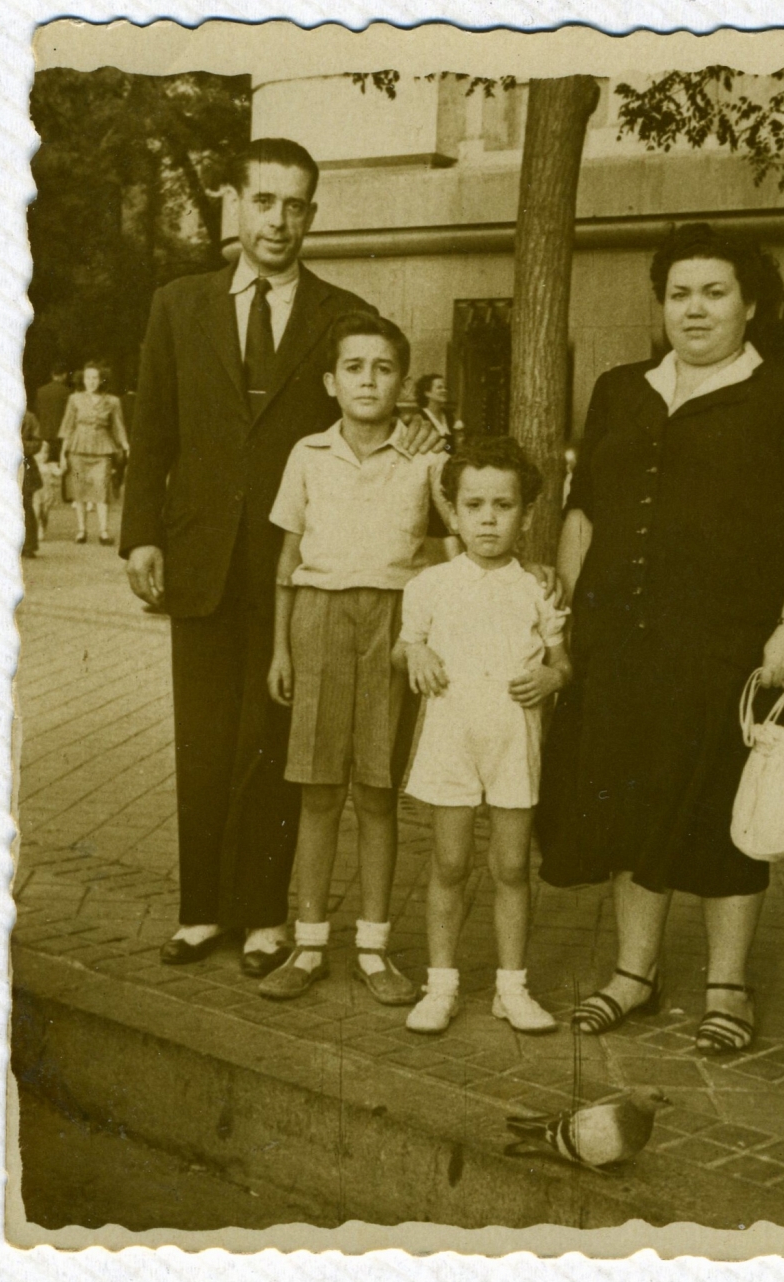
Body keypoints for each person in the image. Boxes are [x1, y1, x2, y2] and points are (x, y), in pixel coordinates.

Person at [120, 137, 444, 977]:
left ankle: (263, 915)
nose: (279, 220)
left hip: (300, 568)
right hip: (197, 557)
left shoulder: (340, 314)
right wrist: (142, 534)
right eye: (264, 201)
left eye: (296, 205)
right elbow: (155, 425)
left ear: (313, 213)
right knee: (203, 737)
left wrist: (411, 422)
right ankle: (199, 912)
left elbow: (381, 402)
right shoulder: (177, 304)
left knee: (273, 744)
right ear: (238, 204)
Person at [536, 222, 784, 1054]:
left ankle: (728, 986)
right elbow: (584, 509)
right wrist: (564, 616)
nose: (695, 309)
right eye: (679, 293)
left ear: (751, 304)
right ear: (660, 304)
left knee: (721, 815)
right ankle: (635, 975)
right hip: (619, 642)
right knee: (633, 806)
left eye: (715, 292)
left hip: (730, 648)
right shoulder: (618, 387)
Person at [259, 313, 455, 1004]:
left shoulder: (429, 459)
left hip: (394, 626)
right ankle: (309, 943)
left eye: (382, 368)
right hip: (317, 619)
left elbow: (458, 537)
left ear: (403, 382)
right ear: (330, 381)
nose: (368, 380)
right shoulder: (307, 453)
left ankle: (374, 948)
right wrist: (282, 647)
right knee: (316, 790)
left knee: (376, 791)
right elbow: (287, 561)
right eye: (354, 367)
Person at [394, 436, 572, 1036]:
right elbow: (405, 647)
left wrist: (551, 676)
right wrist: (414, 652)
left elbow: (562, 661)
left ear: (526, 515)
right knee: (447, 863)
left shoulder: (538, 588)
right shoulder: (429, 586)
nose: (489, 518)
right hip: (451, 741)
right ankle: (440, 985)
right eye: (474, 506)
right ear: (454, 510)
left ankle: (511, 988)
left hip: (512, 746)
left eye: (504, 505)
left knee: (512, 866)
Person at [58, 361, 129, 545]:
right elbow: (68, 426)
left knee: (102, 490)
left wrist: (125, 445)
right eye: (88, 377)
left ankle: (104, 532)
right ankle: (81, 531)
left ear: (101, 379)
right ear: (83, 379)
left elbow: (118, 426)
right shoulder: (75, 399)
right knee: (79, 489)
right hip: (78, 448)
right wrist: (62, 454)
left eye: (95, 377)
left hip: (102, 449)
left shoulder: (113, 401)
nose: (91, 381)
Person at [415, 374, 464, 452]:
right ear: (427, 393)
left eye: (445, 388)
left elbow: (455, 444)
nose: (444, 391)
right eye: (439, 387)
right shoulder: (420, 417)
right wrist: (450, 448)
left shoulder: (449, 416)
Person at [34, 363, 70, 464]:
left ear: (52, 374)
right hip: (60, 436)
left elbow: (37, 410)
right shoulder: (67, 392)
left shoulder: (41, 391)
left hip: (44, 434)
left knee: (45, 465)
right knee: (60, 464)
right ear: (64, 375)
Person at [21, 410, 43, 559]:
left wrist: (18, 445)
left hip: (24, 466)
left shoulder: (29, 417)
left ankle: (28, 545)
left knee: (24, 505)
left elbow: (37, 443)